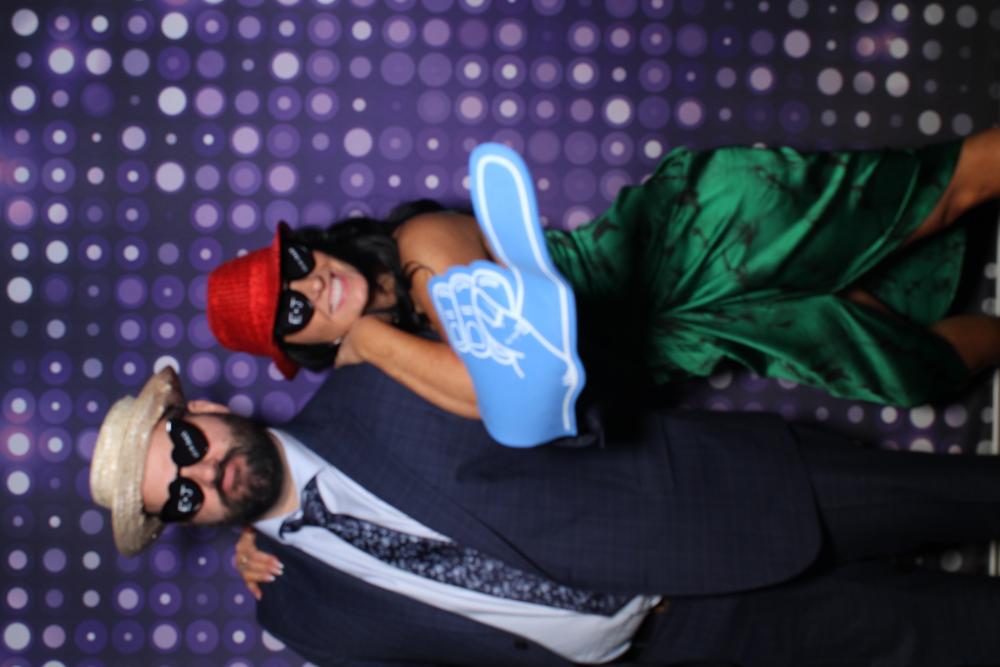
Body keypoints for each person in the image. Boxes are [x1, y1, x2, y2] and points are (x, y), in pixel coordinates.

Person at [92, 364, 1000, 666]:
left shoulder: (373, 379)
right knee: (949, 636)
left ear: (200, 407)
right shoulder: (295, 609)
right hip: (686, 643)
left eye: (184, 443)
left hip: (719, 500)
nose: (203, 471)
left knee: (965, 497)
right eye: (181, 493)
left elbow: (570, 386)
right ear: (189, 521)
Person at [207, 131, 1000, 414]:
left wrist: (367, 343)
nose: (312, 285)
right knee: (910, 369)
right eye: (294, 310)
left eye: (296, 266)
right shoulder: (403, 361)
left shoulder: (418, 243)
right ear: (305, 345)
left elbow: (499, 386)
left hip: (702, 237)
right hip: (691, 331)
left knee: (938, 195)